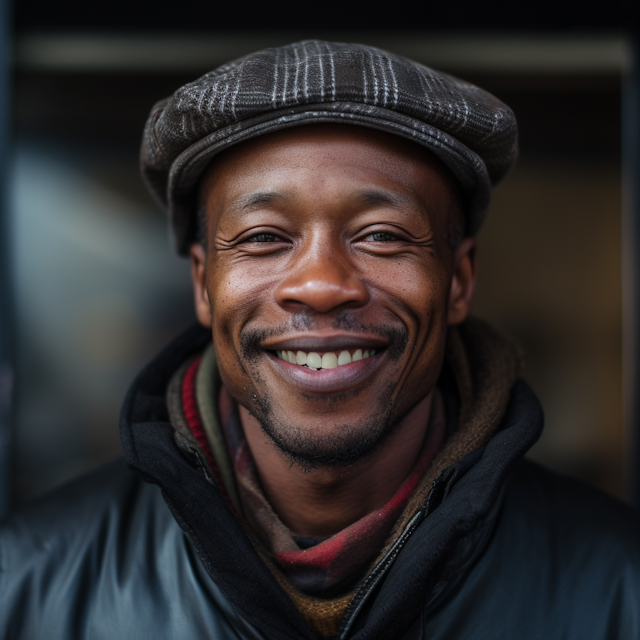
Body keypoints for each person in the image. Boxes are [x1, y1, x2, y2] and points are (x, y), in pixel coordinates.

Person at [1, 40, 640, 640]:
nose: (322, 285)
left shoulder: (621, 586)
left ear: (459, 281)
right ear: (202, 284)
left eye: (382, 234)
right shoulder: (25, 583)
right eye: (263, 237)